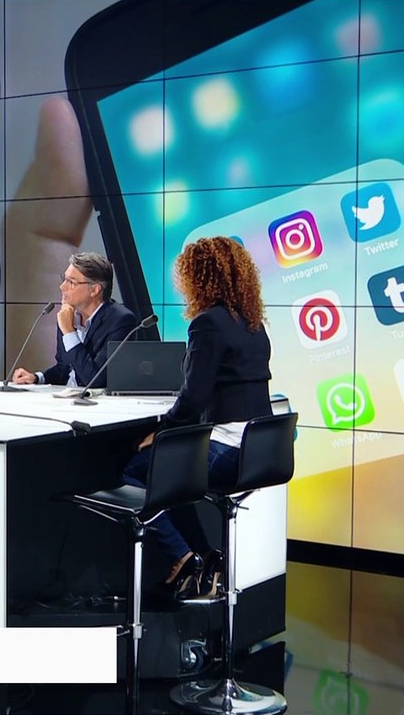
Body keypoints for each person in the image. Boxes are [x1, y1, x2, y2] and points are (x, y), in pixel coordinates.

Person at [123, 237, 273, 601]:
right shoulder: (252, 322)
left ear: (198, 278)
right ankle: (206, 557)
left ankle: (183, 557)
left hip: (229, 451)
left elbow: (193, 398)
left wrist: (161, 433)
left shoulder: (207, 324)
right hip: (258, 449)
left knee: (136, 471)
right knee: (173, 473)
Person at [10, 252, 138, 387]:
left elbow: (96, 380)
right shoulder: (68, 315)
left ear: (94, 290)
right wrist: (37, 378)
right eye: (64, 279)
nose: (62, 287)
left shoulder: (121, 321)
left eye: (71, 282)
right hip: (67, 396)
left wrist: (70, 333)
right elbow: (64, 368)